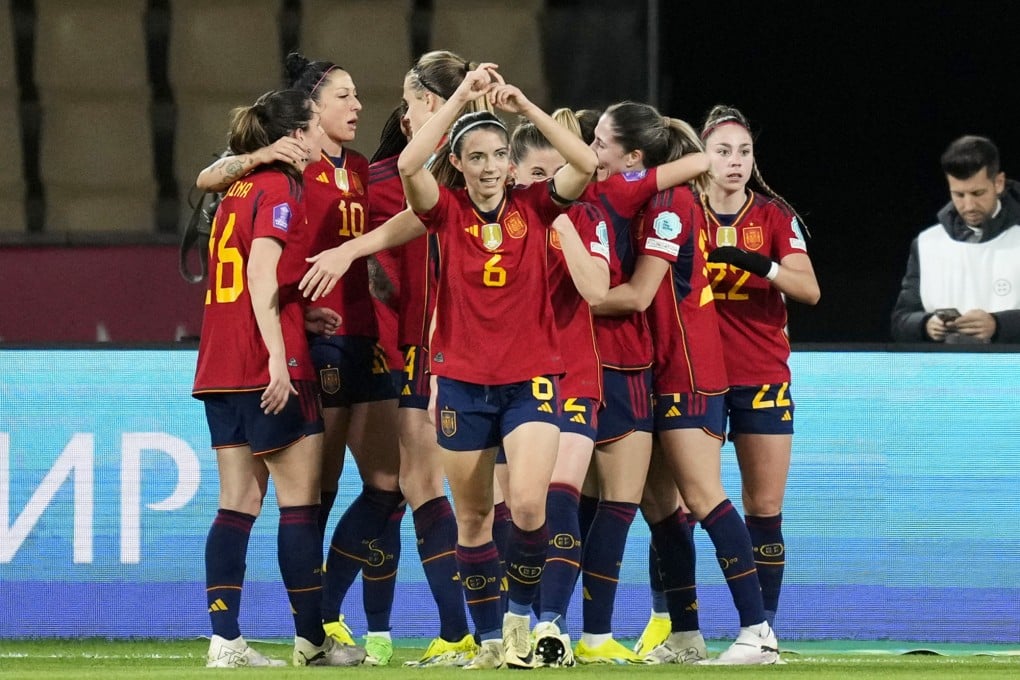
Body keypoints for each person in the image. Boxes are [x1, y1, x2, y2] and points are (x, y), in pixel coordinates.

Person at [301, 63, 598, 670]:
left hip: (531, 379)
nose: (488, 167)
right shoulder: (445, 212)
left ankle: (519, 620)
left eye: (497, 155)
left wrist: (526, 107)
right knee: (472, 517)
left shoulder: (537, 207)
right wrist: (463, 96)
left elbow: (587, 165)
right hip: (460, 382)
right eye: (476, 157)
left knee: (530, 504)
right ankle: (488, 640)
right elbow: (410, 165)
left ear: (511, 164)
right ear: (458, 164)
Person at [197, 52, 405, 664]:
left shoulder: (238, 184)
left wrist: (298, 310)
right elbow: (262, 280)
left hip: (216, 365)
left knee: (237, 503)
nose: (330, 128)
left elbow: (256, 283)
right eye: (316, 121)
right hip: (267, 364)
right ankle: (313, 641)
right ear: (298, 131)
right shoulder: (281, 189)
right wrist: (278, 356)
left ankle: (225, 640)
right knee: (299, 503)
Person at [362, 50, 493, 668]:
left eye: (412, 102)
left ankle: (468, 630)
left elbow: (410, 229)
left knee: (419, 485)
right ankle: (487, 629)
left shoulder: (426, 180)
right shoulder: (489, 172)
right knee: (457, 493)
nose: (401, 112)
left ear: (435, 107)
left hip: (432, 350)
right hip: (472, 352)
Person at [579, 101, 709, 665]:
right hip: (591, 366)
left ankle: (689, 630)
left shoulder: (632, 195)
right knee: (586, 501)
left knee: (651, 504)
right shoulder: (592, 193)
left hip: (637, 366)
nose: (590, 150)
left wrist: (584, 303)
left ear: (631, 157)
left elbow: (634, 295)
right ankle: (557, 627)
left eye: (600, 141)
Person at [694, 103, 819, 662]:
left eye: (744, 152)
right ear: (702, 155)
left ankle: (761, 633)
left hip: (761, 375)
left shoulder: (772, 217)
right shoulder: (680, 212)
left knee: (763, 509)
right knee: (676, 507)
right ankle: (676, 630)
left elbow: (809, 290)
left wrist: (756, 263)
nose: (735, 162)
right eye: (723, 151)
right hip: (695, 378)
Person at [506, 110, 612, 669]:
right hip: (507, 378)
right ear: (513, 175)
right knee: (515, 509)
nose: (551, 185)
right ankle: (513, 622)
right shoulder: (496, 222)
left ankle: (553, 626)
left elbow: (596, 289)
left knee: (560, 494)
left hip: (572, 371)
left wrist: (561, 221)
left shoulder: (584, 219)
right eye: (538, 174)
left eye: (560, 173)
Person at [891, 135, 1020, 343]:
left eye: (978, 193)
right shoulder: (927, 243)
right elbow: (900, 321)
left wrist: (998, 325)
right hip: (945, 371)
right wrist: (925, 325)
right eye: (959, 195)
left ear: (999, 183)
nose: (968, 206)